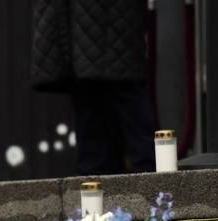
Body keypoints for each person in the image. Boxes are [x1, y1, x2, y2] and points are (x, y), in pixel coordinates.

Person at [31, 0, 156, 175]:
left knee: (117, 107)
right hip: (89, 31)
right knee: (97, 114)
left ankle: (153, 188)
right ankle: (148, 185)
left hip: (102, 29)